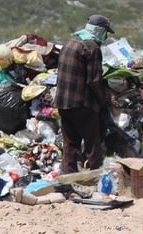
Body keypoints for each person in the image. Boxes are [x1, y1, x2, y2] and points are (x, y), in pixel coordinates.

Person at [54, 14, 115, 174]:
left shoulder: (71, 42)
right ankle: (97, 176)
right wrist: (104, 100)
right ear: (101, 31)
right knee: (92, 142)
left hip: (63, 101)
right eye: (106, 32)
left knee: (70, 142)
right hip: (82, 103)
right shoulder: (92, 48)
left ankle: (68, 175)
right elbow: (93, 81)